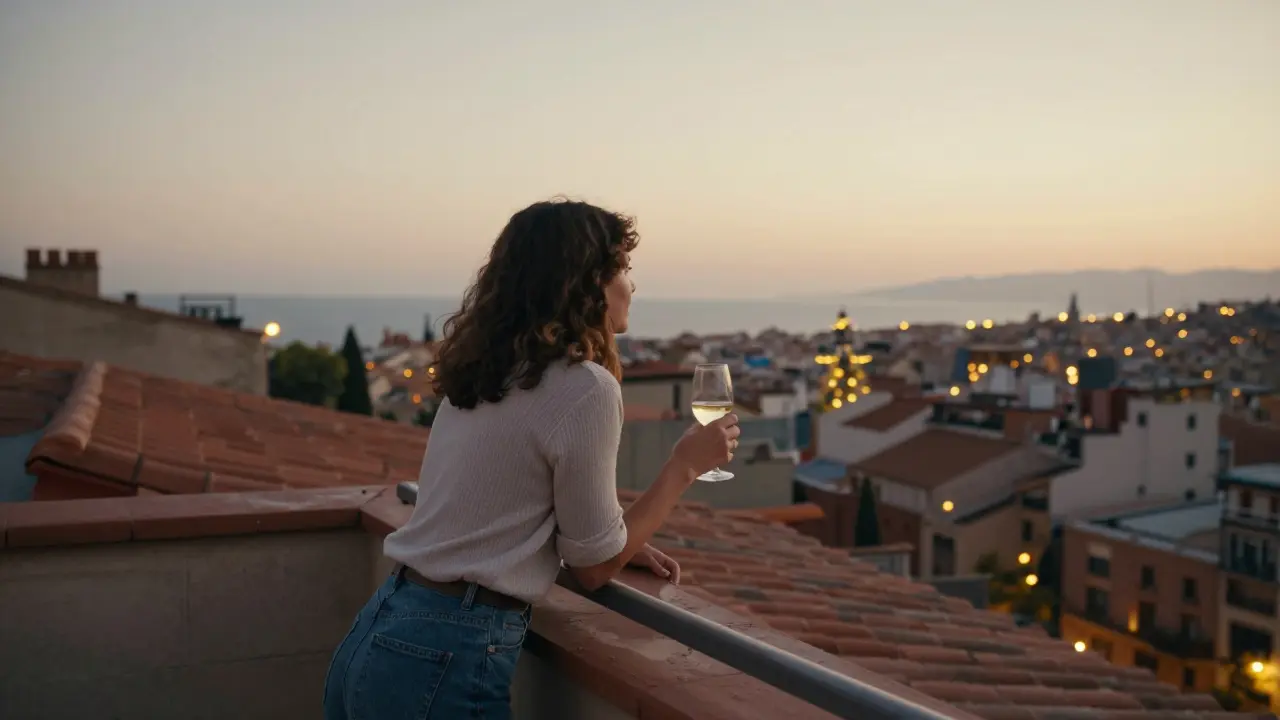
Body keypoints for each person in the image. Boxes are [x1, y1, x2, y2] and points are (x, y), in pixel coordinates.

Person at [322, 198, 740, 720]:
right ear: (588, 282)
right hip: (446, 652)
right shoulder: (585, 388)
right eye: (625, 269)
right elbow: (592, 569)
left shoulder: (487, 371)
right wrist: (684, 465)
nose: (633, 285)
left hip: (383, 628)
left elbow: (527, 513)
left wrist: (620, 536)